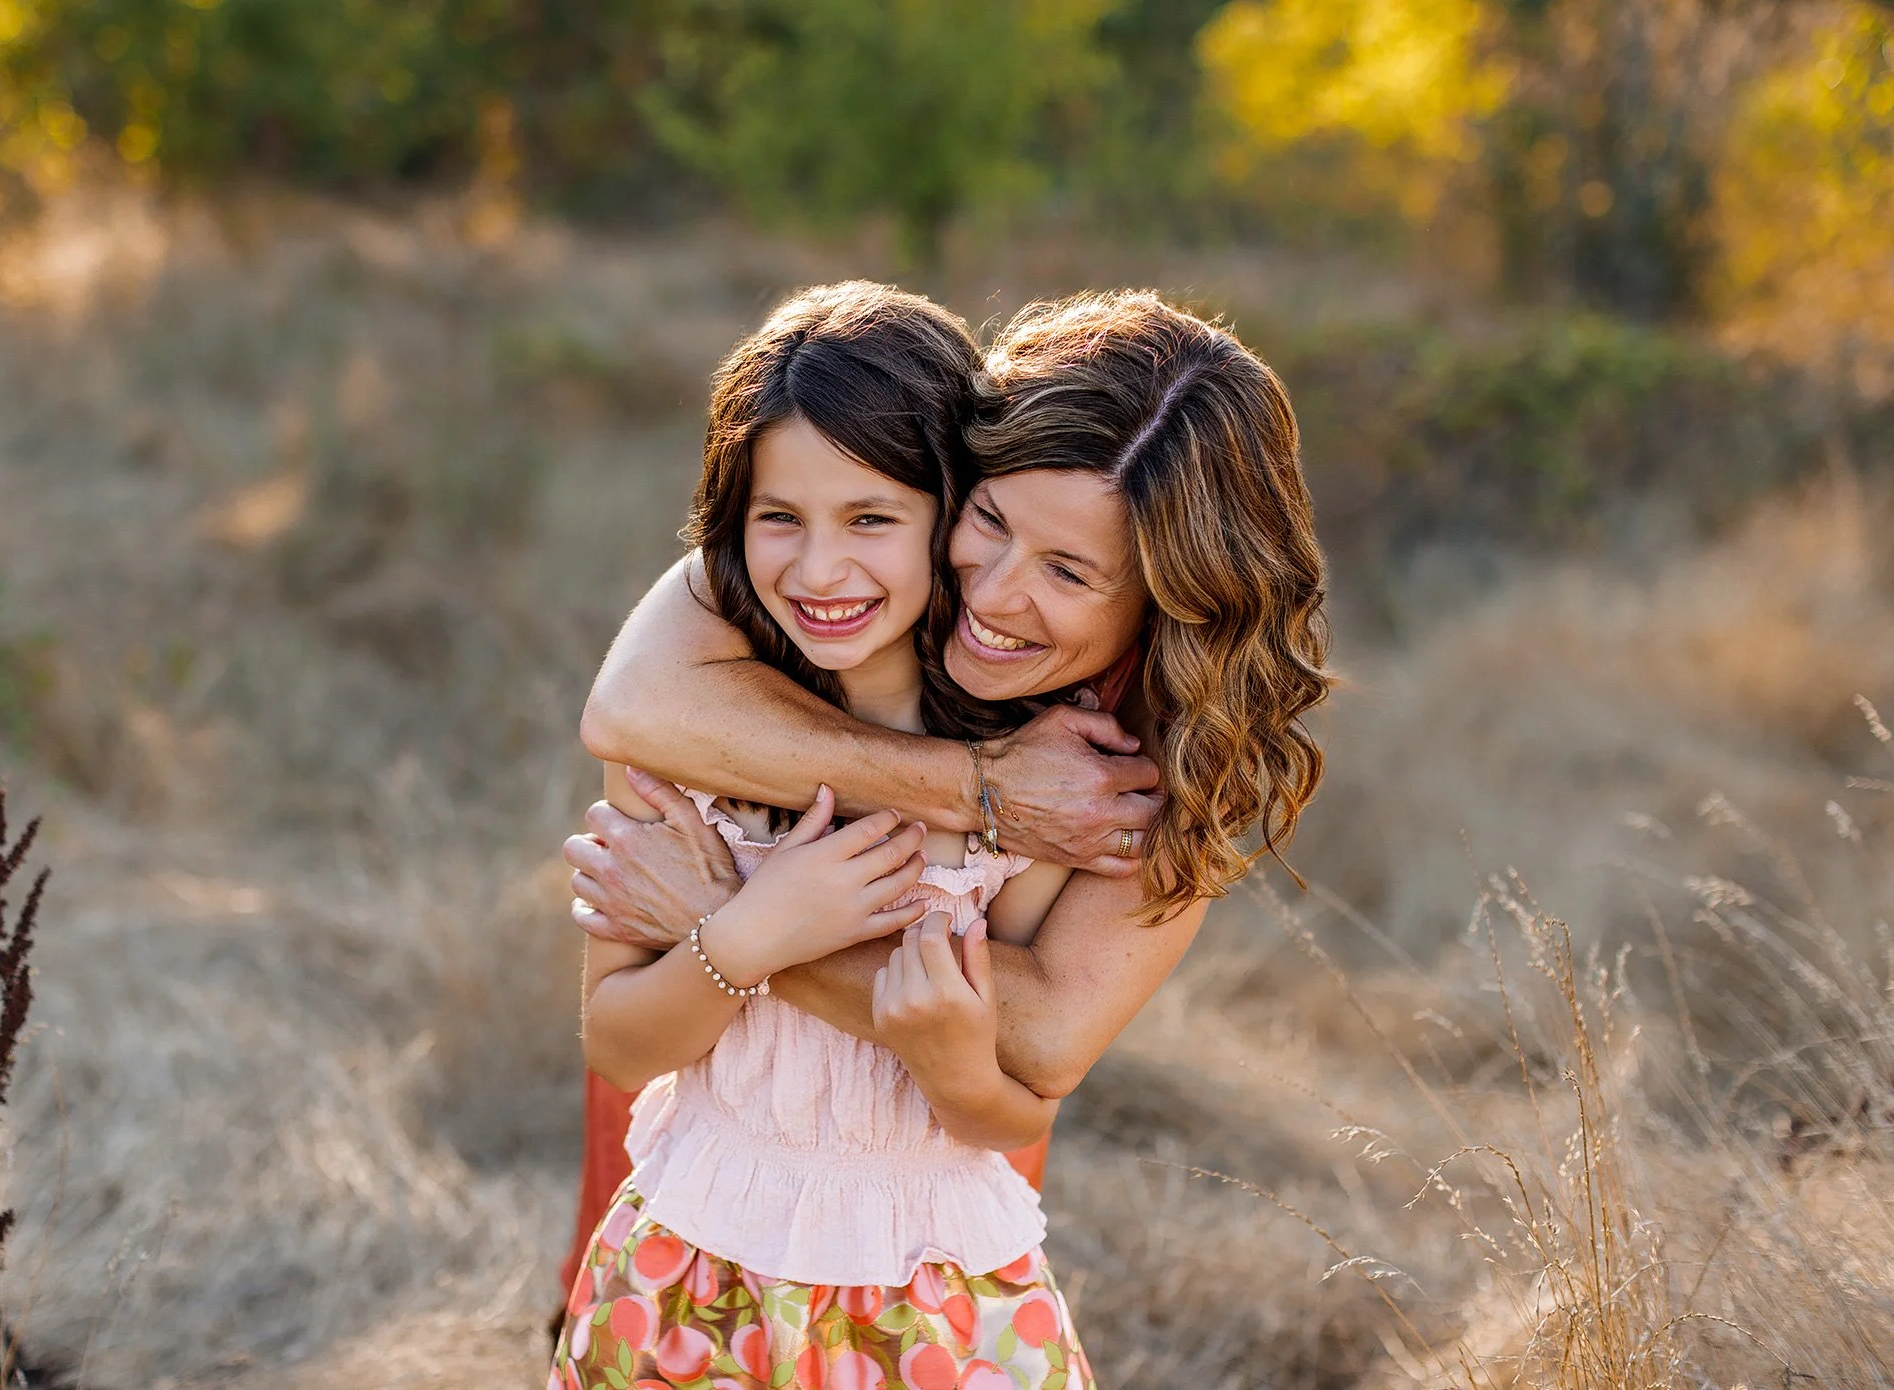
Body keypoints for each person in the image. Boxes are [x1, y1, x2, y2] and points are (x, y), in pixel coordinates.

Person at [567, 288, 1334, 1289]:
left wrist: (733, 914)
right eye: (987, 519)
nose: (990, 590)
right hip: (698, 1137)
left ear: (1173, 600)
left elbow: (1042, 1046)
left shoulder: (1175, 738)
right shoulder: (836, 563)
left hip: (915, 1203)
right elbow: (627, 713)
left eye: (1066, 572)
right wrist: (975, 785)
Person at [555, 279, 1097, 1388]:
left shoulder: (1037, 785)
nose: (816, 571)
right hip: (688, 1274)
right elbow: (616, 1041)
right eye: (777, 518)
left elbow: (1011, 1107)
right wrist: (747, 935)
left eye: (870, 518)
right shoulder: (687, 742)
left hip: (939, 1292)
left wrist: (938, 1049)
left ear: (953, 514)